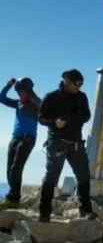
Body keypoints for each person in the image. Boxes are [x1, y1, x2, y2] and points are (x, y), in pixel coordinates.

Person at [38, 69, 95, 222]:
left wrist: (72, 119)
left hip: (76, 143)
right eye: (77, 84)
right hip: (57, 143)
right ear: (67, 81)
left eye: (81, 84)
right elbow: (41, 118)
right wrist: (54, 122)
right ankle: (44, 213)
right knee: (51, 177)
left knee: (83, 175)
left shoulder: (81, 97)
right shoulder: (51, 97)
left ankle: (86, 210)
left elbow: (87, 115)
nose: (80, 87)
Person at [0, 77, 40, 209]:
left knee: (16, 168)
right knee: (9, 169)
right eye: (19, 91)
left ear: (29, 91)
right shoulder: (17, 103)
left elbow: (43, 106)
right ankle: (13, 197)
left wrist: (33, 97)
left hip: (28, 139)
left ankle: (13, 198)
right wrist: (8, 85)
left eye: (23, 91)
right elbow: (2, 98)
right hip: (15, 138)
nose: (20, 93)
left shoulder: (35, 104)